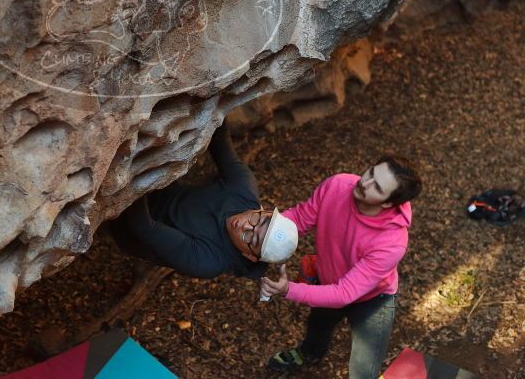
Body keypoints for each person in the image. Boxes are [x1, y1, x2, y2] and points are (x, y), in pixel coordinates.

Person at [260, 156, 423, 378]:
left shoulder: (392, 242)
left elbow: (344, 293)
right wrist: (264, 232)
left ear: (387, 203)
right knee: (317, 326)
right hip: (328, 280)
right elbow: (299, 218)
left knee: (364, 365)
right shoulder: (338, 185)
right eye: (370, 173)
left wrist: (288, 290)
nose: (363, 183)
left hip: (373, 300)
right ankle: (310, 353)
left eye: (376, 186)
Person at [110, 120, 298, 280]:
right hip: (166, 193)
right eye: (257, 220)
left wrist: (137, 166)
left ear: (249, 256)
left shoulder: (208, 261)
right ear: (263, 210)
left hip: (129, 225)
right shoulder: (244, 190)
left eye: (251, 238)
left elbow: (143, 226)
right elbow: (220, 140)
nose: (245, 226)